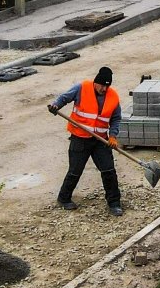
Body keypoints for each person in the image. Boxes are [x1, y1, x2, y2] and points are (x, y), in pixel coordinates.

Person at [47, 66, 124, 216]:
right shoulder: (81, 88)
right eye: (102, 85)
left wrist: (113, 136)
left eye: (107, 86)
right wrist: (56, 106)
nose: (104, 88)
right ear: (96, 82)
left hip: (100, 140)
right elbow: (64, 98)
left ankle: (114, 202)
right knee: (75, 171)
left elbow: (116, 119)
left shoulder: (113, 97)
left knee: (109, 171)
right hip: (80, 138)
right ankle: (64, 198)